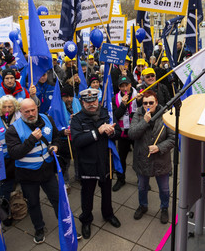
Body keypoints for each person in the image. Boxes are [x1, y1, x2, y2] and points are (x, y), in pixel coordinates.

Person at [4, 98, 65, 244]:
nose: (31, 114)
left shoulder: (47, 118)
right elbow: (14, 153)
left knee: (57, 199)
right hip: (27, 175)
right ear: (20, 112)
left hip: (47, 170)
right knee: (33, 203)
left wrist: (56, 146)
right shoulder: (13, 130)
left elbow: (56, 137)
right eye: (27, 112)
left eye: (33, 110)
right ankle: (39, 228)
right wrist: (31, 139)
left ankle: (65, 224)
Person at [71, 88, 121, 239]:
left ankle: (108, 214)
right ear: (82, 102)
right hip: (87, 163)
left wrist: (112, 132)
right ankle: (86, 220)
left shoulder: (107, 113)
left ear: (98, 100)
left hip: (105, 161)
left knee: (107, 192)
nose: (91, 104)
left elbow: (118, 132)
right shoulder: (77, 119)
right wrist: (97, 132)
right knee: (87, 194)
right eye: (88, 101)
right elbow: (78, 141)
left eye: (94, 101)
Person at [128, 90, 174, 224]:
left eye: (151, 103)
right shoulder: (138, 113)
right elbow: (132, 134)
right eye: (145, 103)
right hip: (143, 159)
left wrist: (159, 147)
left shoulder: (166, 115)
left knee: (164, 189)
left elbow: (173, 138)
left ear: (157, 102)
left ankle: (164, 208)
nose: (148, 105)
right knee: (142, 187)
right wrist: (144, 121)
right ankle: (143, 206)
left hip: (161, 160)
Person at [0, 95, 20, 226]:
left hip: (19, 157)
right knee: (5, 187)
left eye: (10, 106)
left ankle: (21, 203)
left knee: (21, 183)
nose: (7, 109)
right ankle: (5, 213)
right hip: (3, 161)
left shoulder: (19, 117)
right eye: (5, 106)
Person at [112, 75, 138, 191]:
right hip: (123, 133)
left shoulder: (138, 95)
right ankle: (121, 179)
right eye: (122, 86)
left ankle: (141, 179)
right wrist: (123, 105)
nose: (124, 88)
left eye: (126, 85)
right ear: (119, 87)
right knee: (121, 158)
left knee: (138, 157)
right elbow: (115, 116)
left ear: (130, 84)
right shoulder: (115, 99)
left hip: (136, 131)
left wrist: (140, 101)